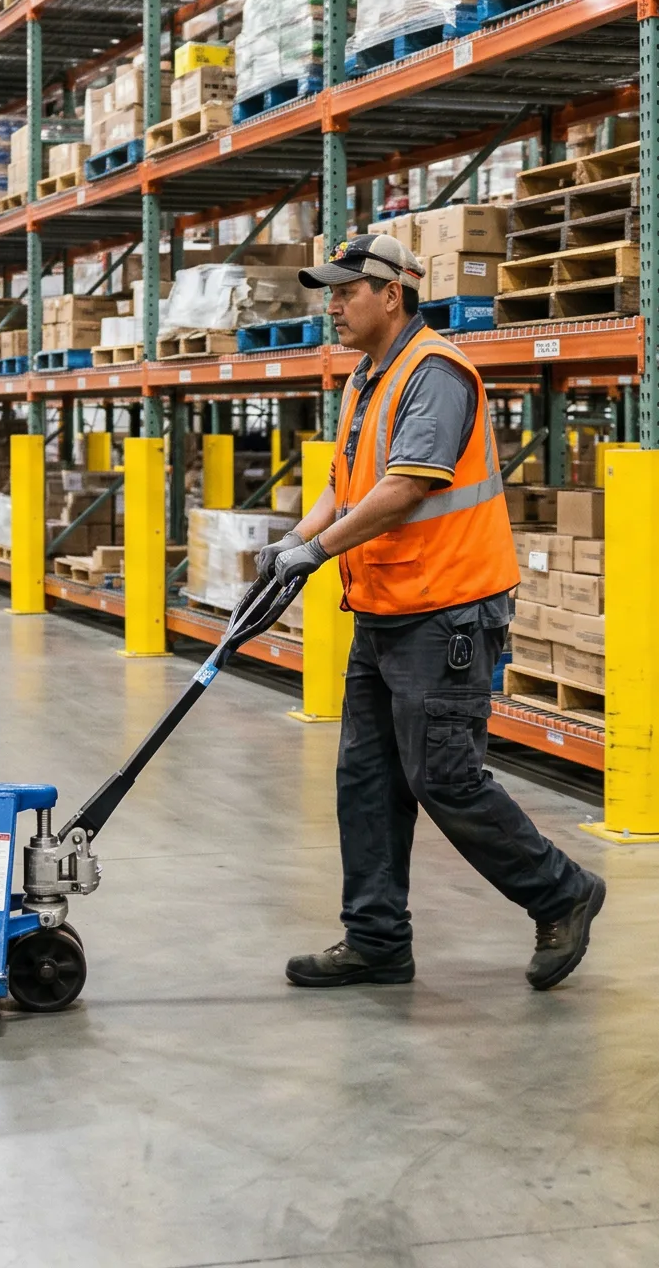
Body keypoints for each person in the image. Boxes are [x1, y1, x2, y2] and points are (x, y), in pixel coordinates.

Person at [257, 233, 606, 991]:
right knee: (368, 779)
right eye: (330, 292)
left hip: (444, 612)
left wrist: (314, 557)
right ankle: (377, 939)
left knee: (443, 776)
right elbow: (343, 485)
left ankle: (564, 892)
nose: (333, 306)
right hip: (383, 607)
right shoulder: (366, 379)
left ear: (392, 293)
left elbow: (407, 487)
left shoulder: (435, 372)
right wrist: (295, 538)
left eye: (347, 291)